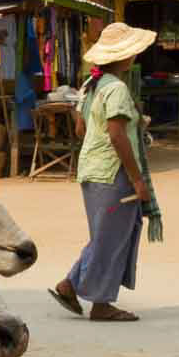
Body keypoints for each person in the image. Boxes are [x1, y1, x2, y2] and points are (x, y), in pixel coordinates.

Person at [49, 22, 162, 322]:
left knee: (105, 234)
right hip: (113, 173)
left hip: (91, 169)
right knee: (111, 238)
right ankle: (101, 303)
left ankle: (70, 284)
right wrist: (137, 179)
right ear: (127, 56)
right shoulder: (117, 89)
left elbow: (81, 127)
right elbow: (116, 134)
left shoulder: (91, 85)